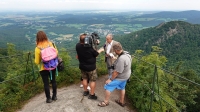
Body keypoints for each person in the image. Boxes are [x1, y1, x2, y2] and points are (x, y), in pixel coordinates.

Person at [76, 33, 104, 99]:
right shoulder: (89, 48)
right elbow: (96, 54)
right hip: (91, 67)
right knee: (92, 80)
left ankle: (85, 91)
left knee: (84, 79)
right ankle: (92, 94)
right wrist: (100, 50)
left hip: (82, 66)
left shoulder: (77, 46)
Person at [34, 31, 58, 103]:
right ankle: (54, 96)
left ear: (37, 38)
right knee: (53, 81)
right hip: (52, 66)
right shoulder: (51, 44)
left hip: (43, 68)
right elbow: (56, 53)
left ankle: (48, 98)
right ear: (45, 36)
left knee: (46, 83)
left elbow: (37, 62)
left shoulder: (37, 48)